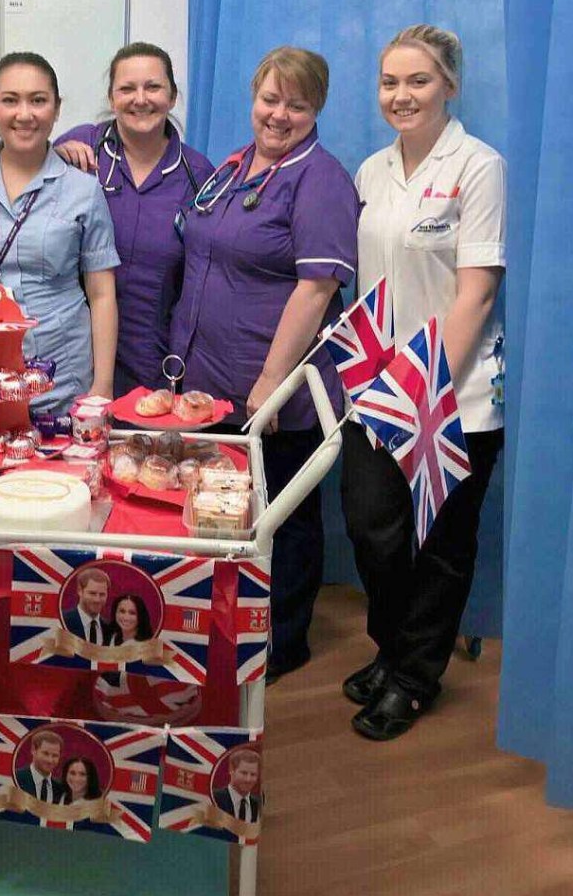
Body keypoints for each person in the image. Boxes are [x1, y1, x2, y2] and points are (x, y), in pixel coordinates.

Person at [170, 46, 360, 681]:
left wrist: (271, 383)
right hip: (209, 381)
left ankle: (282, 640)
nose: (279, 115)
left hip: (271, 390)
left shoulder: (321, 179)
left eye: (296, 105)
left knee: (285, 516)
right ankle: (222, 623)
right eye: (269, 99)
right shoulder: (235, 165)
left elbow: (318, 287)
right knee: (221, 507)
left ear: (317, 110)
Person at [341, 25, 506, 741]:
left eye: (417, 81)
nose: (400, 95)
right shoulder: (370, 170)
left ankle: (413, 677)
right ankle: (392, 647)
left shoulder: (477, 166)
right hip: (376, 391)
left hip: (453, 397)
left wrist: (422, 388)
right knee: (373, 532)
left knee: (439, 545)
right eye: (388, 82)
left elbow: (474, 294)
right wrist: (384, 390)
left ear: (448, 85)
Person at [0, 52, 120, 414]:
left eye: (38, 100)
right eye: (10, 100)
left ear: (57, 109)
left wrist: (102, 386)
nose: (24, 114)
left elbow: (102, 293)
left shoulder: (82, 189)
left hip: (58, 376)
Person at [54, 42, 214, 396]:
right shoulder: (79, 151)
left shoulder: (198, 175)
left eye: (153, 87)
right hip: (75, 359)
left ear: (172, 97)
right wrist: (54, 157)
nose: (140, 99)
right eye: (127, 88)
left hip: (156, 362)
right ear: (111, 99)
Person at [61, 568, 112, 645]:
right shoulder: (61, 621)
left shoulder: (110, 629)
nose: (97, 600)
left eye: (102, 594)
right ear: (80, 591)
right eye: (92, 593)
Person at [15, 729, 66, 804]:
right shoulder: (15, 777)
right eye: (45, 753)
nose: (50, 760)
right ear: (33, 750)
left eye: (55, 755)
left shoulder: (61, 788)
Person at [212, 748, 262, 823]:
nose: (248, 779)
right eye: (244, 773)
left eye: (253, 774)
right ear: (231, 771)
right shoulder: (213, 797)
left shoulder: (260, 804)